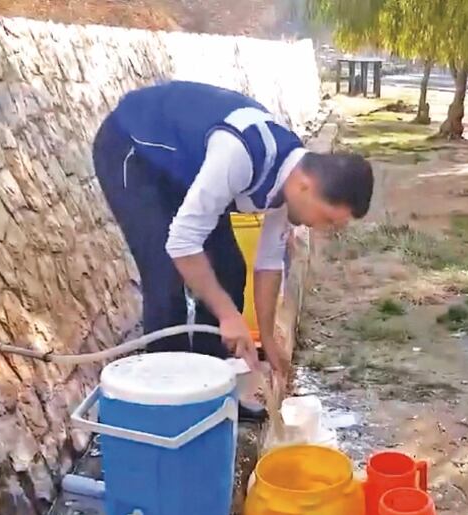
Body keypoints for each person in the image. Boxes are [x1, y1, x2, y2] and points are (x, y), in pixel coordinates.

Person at [92, 81, 374, 418]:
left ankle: (214, 395)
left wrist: (268, 340)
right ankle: (172, 411)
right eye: (326, 218)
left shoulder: (293, 176)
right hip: (133, 149)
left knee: (230, 267)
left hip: (186, 169)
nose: (318, 227)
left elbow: (268, 263)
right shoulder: (240, 155)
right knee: (166, 278)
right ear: (305, 186)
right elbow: (182, 243)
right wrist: (228, 315)